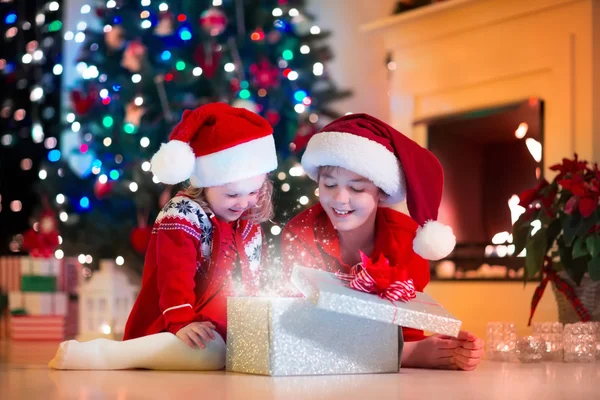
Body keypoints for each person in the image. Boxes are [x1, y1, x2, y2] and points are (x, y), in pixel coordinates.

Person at [49, 102, 278, 370]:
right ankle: (106, 355)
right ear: (204, 183)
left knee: (233, 352)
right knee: (211, 353)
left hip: (225, 326)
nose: (243, 203)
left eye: (253, 192)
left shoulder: (249, 226)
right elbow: (174, 275)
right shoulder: (183, 215)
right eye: (232, 194)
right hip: (178, 322)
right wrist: (180, 319)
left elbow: (252, 280)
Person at [282, 113, 484, 371]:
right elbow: (301, 327)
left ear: (381, 192)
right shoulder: (301, 232)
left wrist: (420, 346)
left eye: (356, 189)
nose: (340, 199)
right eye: (329, 184)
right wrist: (404, 353)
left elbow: (408, 322)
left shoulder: (407, 238)